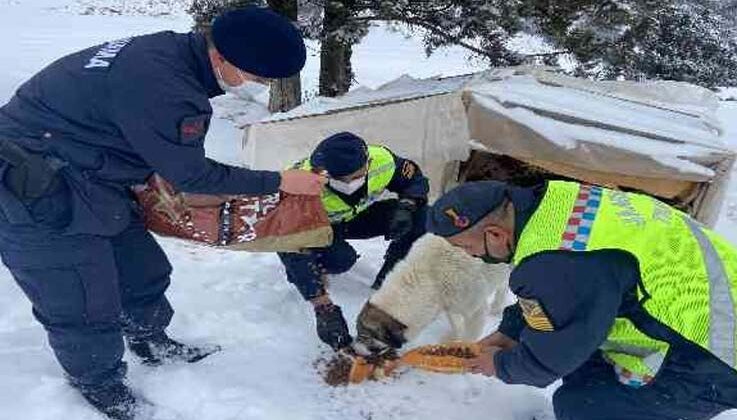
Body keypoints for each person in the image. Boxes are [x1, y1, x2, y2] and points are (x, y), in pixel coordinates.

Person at [0, 6, 324, 419]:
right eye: (257, 78)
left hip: (90, 170)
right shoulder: (165, 85)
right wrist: (280, 181)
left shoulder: (173, 54)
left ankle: (149, 338)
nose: (257, 87)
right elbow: (193, 176)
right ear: (222, 57)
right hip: (32, 184)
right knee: (80, 297)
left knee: (142, 269)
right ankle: (98, 383)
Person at [424, 179, 737, 420]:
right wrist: (510, 331)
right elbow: (565, 297)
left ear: (495, 235)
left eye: (466, 247)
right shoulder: (558, 205)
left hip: (717, 355)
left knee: (581, 407)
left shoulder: (555, 262)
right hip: (710, 302)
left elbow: (545, 362)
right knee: (584, 373)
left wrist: (497, 364)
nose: (471, 256)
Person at [278, 131, 429, 351]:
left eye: (355, 176)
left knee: (420, 216)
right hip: (320, 228)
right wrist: (322, 307)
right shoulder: (297, 187)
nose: (349, 183)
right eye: (339, 179)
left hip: (358, 216)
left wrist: (407, 205)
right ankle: (319, 269)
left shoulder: (383, 160)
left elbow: (414, 180)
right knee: (341, 260)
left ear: (367, 163)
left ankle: (391, 275)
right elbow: (289, 243)